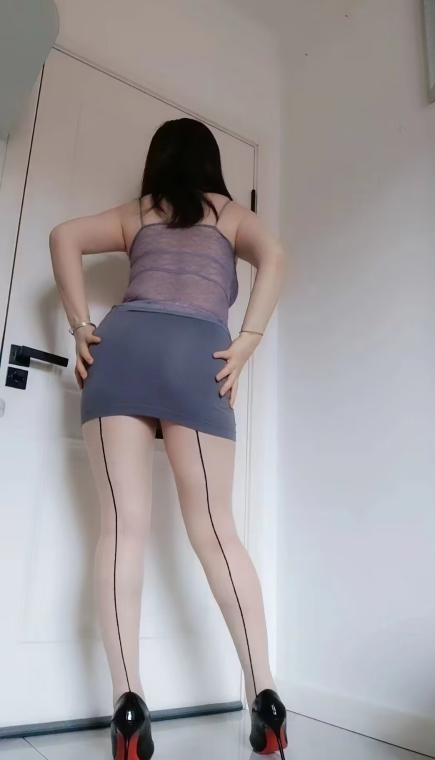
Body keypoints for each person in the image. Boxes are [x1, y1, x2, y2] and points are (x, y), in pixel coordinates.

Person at [49, 117, 287, 760]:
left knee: (121, 532)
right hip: (197, 356)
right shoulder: (231, 215)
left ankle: (127, 707)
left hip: (123, 350)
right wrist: (247, 342)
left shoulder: (139, 213)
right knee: (216, 531)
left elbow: (63, 235)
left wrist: (81, 327)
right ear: (212, 164)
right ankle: (264, 694)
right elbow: (276, 255)